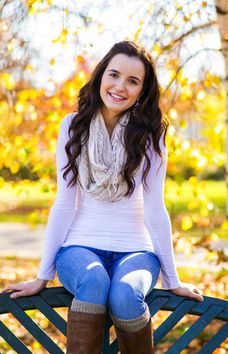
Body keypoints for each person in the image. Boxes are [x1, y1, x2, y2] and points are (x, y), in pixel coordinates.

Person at [2, 40, 203, 354]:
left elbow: (155, 208)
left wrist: (172, 279)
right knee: (94, 283)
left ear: (142, 91)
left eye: (132, 81)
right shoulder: (73, 127)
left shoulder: (151, 135)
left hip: (136, 251)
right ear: (100, 77)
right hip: (78, 249)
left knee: (125, 295)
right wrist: (42, 276)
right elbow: (65, 202)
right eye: (114, 75)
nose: (120, 86)